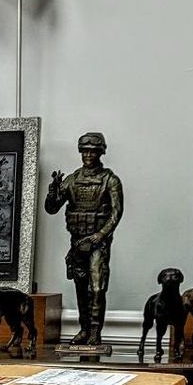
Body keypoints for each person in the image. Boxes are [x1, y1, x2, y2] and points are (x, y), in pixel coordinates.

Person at [44, 131, 123, 346]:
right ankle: (84, 329)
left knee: (97, 288)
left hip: (98, 243)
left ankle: (96, 331)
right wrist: (52, 192)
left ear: (100, 153)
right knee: (80, 287)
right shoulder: (72, 180)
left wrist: (100, 235)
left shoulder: (110, 180)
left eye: (93, 151)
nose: (88, 155)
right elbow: (51, 209)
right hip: (77, 242)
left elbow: (116, 213)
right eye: (85, 151)